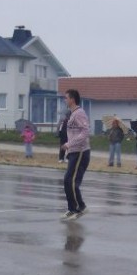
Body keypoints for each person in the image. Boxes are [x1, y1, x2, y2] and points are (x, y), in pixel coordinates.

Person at [60, 89, 90, 220]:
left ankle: (80, 207)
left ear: (72, 99)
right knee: (67, 181)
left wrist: (69, 144)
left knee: (71, 181)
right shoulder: (72, 114)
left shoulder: (79, 113)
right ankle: (72, 208)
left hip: (81, 152)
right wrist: (68, 148)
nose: (64, 100)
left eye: (66, 98)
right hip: (73, 152)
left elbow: (85, 133)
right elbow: (73, 133)